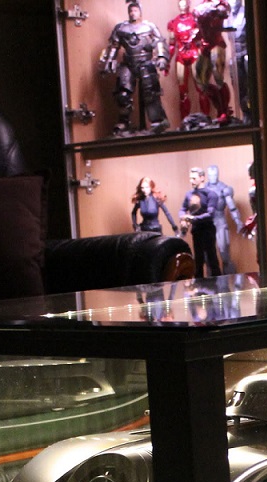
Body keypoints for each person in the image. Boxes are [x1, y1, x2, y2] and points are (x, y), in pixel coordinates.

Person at [100, 2, 170, 135]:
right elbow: (114, 46)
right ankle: (124, 122)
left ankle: (158, 121)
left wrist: (162, 57)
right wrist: (109, 61)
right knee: (122, 94)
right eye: (131, 11)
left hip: (146, 62)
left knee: (151, 93)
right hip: (128, 63)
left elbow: (159, 41)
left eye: (135, 10)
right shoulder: (121, 28)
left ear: (140, 12)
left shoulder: (149, 26)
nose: (133, 13)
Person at [180, 167, 222, 276]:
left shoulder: (211, 194)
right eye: (190, 178)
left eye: (194, 178)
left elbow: (210, 213)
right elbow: (183, 208)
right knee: (198, 259)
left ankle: (218, 283)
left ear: (202, 178)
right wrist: (183, 218)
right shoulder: (189, 194)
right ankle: (199, 284)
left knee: (212, 258)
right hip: (196, 230)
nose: (191, 181)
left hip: (208, 229)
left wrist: (193, 218)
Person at [167, 0, 205, 119]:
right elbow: (172, 44)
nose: (182, 5)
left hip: (194, 53)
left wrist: (203, 54)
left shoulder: (195, 20)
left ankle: (206, 118)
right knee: (182, 90)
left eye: (185, 3)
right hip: (181, 55)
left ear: (188, 4)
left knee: (201, 87)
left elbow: (202, 39)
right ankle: (185, 120)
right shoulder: (174, 23)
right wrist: (167, 61)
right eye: (181, 3)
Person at [203, 164, 243, 272]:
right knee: (207, 256)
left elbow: (232, 206)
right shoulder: (204, 189)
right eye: (211, 175)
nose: (213, 177)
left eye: (215, 175)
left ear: (218, 175)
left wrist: (238, 221)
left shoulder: (224, 189)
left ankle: (228, 280)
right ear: (208, 176)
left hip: (220, 221)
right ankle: (211, 281)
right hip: (208, 223)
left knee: (224, 252)